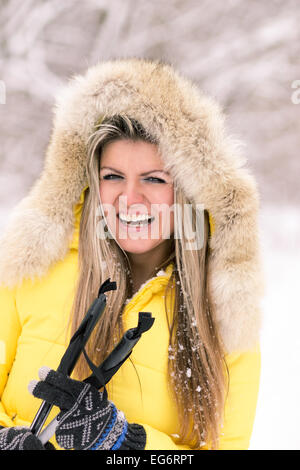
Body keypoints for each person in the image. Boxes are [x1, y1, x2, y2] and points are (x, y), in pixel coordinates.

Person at [0, 58, 263, 451]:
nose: (130, 199)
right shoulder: (31, 272)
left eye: (154, 179)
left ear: (188, 193)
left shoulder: (224, 316)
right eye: (113, 176)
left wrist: (125, 443)